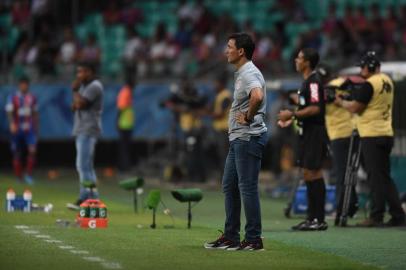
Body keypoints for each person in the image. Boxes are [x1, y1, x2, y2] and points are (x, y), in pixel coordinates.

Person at [204, 33, 267, 251]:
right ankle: (231, 236)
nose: (226, 50)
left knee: (247, 188)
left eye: (229, 46)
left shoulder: (248, 72)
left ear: (241, 51)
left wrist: (248, 116)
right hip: (239, 138)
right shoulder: (243, 72)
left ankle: (253, 239)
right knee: (229, 186)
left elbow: (257, 96)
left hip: (248, 138)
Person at [334, 51, 405, 227]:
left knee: (375, 178)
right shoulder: (387, 81)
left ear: (370, 67)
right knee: (384, 177)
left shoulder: (369, 84)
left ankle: (376, 215)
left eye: (363, 67)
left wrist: (341, 102)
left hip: (372, 135)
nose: (361, 71)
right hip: (386, 133)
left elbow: (356, 108)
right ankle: (398, 215)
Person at [278, 48, 329, 231]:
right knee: (308, 173)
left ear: (307, 62)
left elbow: (315, 108)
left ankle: (318, 219)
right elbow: (308, 106)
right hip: (307, 133)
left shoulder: (314, 82)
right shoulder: (307, 82)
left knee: (313, 172)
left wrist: (292, 114)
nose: (296, 60)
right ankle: (312, 218)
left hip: (315, 133)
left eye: (299, 58)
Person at [320, 65, 361, 226]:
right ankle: (351, 207)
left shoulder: (330, 87)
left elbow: (318, 107)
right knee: (349, 172)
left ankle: (340, 208)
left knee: (340, 172)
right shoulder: (345, 84)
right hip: (353, 131)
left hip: (339, 133)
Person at [67, 62, 104, 210]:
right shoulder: (85, 86)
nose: (78, 75)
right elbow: (73, 107)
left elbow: (80, 104)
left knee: (83, 165)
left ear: (90, 72)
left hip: (88, 129)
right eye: (78, 72)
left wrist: (75, 91)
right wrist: (77, 96)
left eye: (81, 72)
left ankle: (86, 199)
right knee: (86, 166)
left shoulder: (95, 86)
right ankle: (93, 199)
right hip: (82, 128)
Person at [5, 76, 38, 185]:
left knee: (32, 151)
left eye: (26, 84)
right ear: (19, 85)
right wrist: (11, 124)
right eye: (22, 84)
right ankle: (18, 177)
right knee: (17, 153)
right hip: (17, 129)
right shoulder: (13, 97)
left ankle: (28, 175)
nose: (24, 86)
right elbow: (9, 112)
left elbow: (35, 113)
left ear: (28, 85)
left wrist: (36, 128)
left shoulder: (32, 97)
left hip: (29, 129)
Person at [210, 73, 232, 178]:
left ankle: (227, 178)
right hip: (219, 129)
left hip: (224, 130)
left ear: (222, 83)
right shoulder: (219, 95)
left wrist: (205, 113)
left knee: (224, 155)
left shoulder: (226, 95)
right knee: (220, 155)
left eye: (216, 83)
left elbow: (219, 114)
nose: (214, 85)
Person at [116, 77, 135, 172]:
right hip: (124, 125)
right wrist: (117, 122)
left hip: (127, 124)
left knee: (125, 147)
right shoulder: (126, 91)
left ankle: (125, 167)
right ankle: (124, 167)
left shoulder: (128, 91)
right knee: (125, 148)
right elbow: (121, 108)